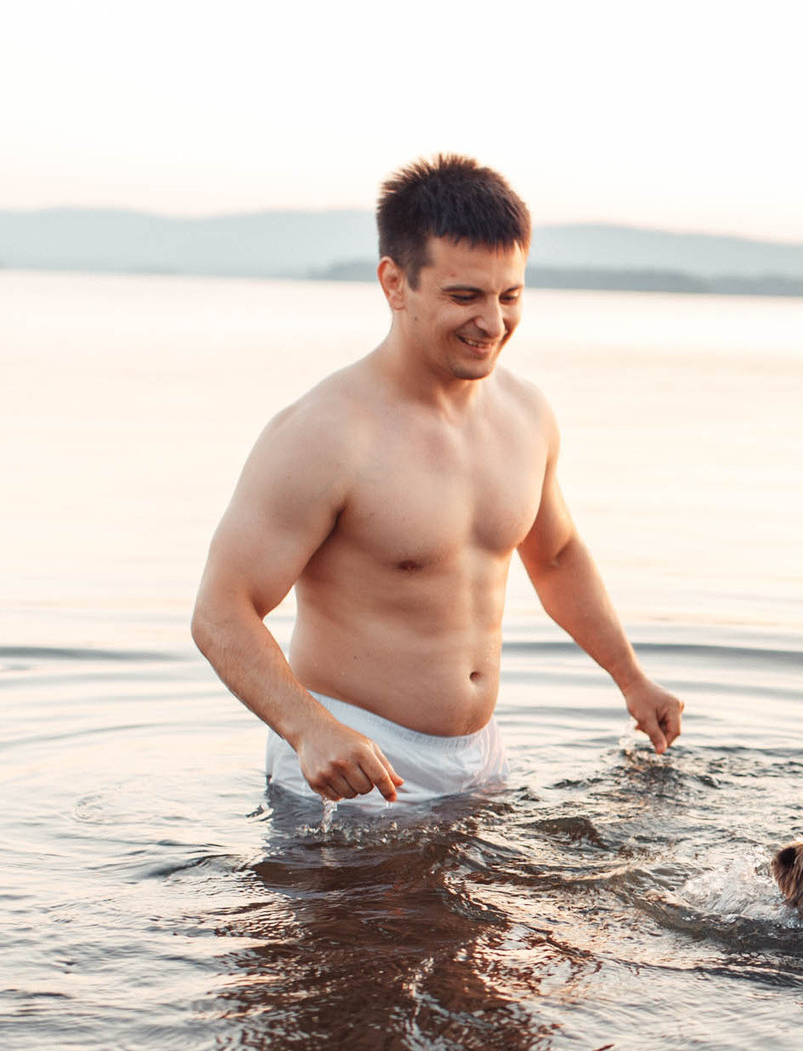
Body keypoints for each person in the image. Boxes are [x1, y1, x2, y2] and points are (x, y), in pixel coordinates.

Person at [191, 154, 682, 810]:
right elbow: (221, 610)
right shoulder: (324, 435)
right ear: (395, 283)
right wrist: (309, 728)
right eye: (464, 297)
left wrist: (631, 678)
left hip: (482, 757)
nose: (494, 323)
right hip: (352, 762)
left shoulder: (527, 415)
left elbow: (557, 556)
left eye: (510, 296)